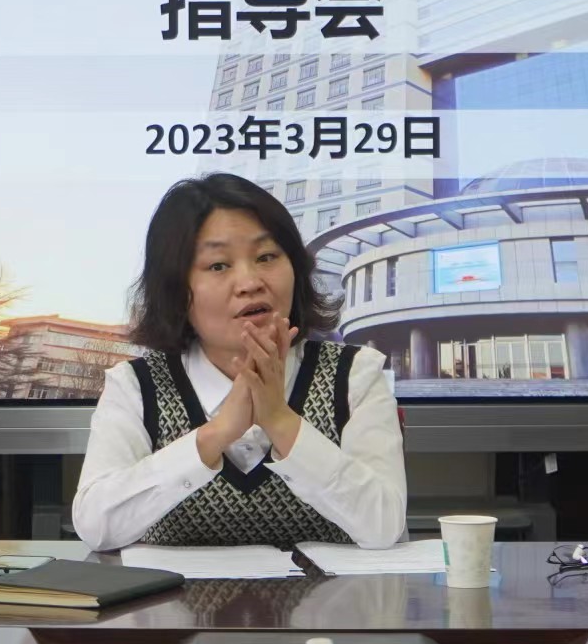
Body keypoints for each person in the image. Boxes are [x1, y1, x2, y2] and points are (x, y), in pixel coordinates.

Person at [72, 173, 406, 551]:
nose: (250, 282)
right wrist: (216, 433)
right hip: (178, 594)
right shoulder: (136, 386)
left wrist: (280, 420)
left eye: (267, 257)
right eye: (218, 265)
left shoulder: (355, 374)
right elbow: (96, 527)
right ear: (175, 289)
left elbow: (384, 527)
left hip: (331, 592)